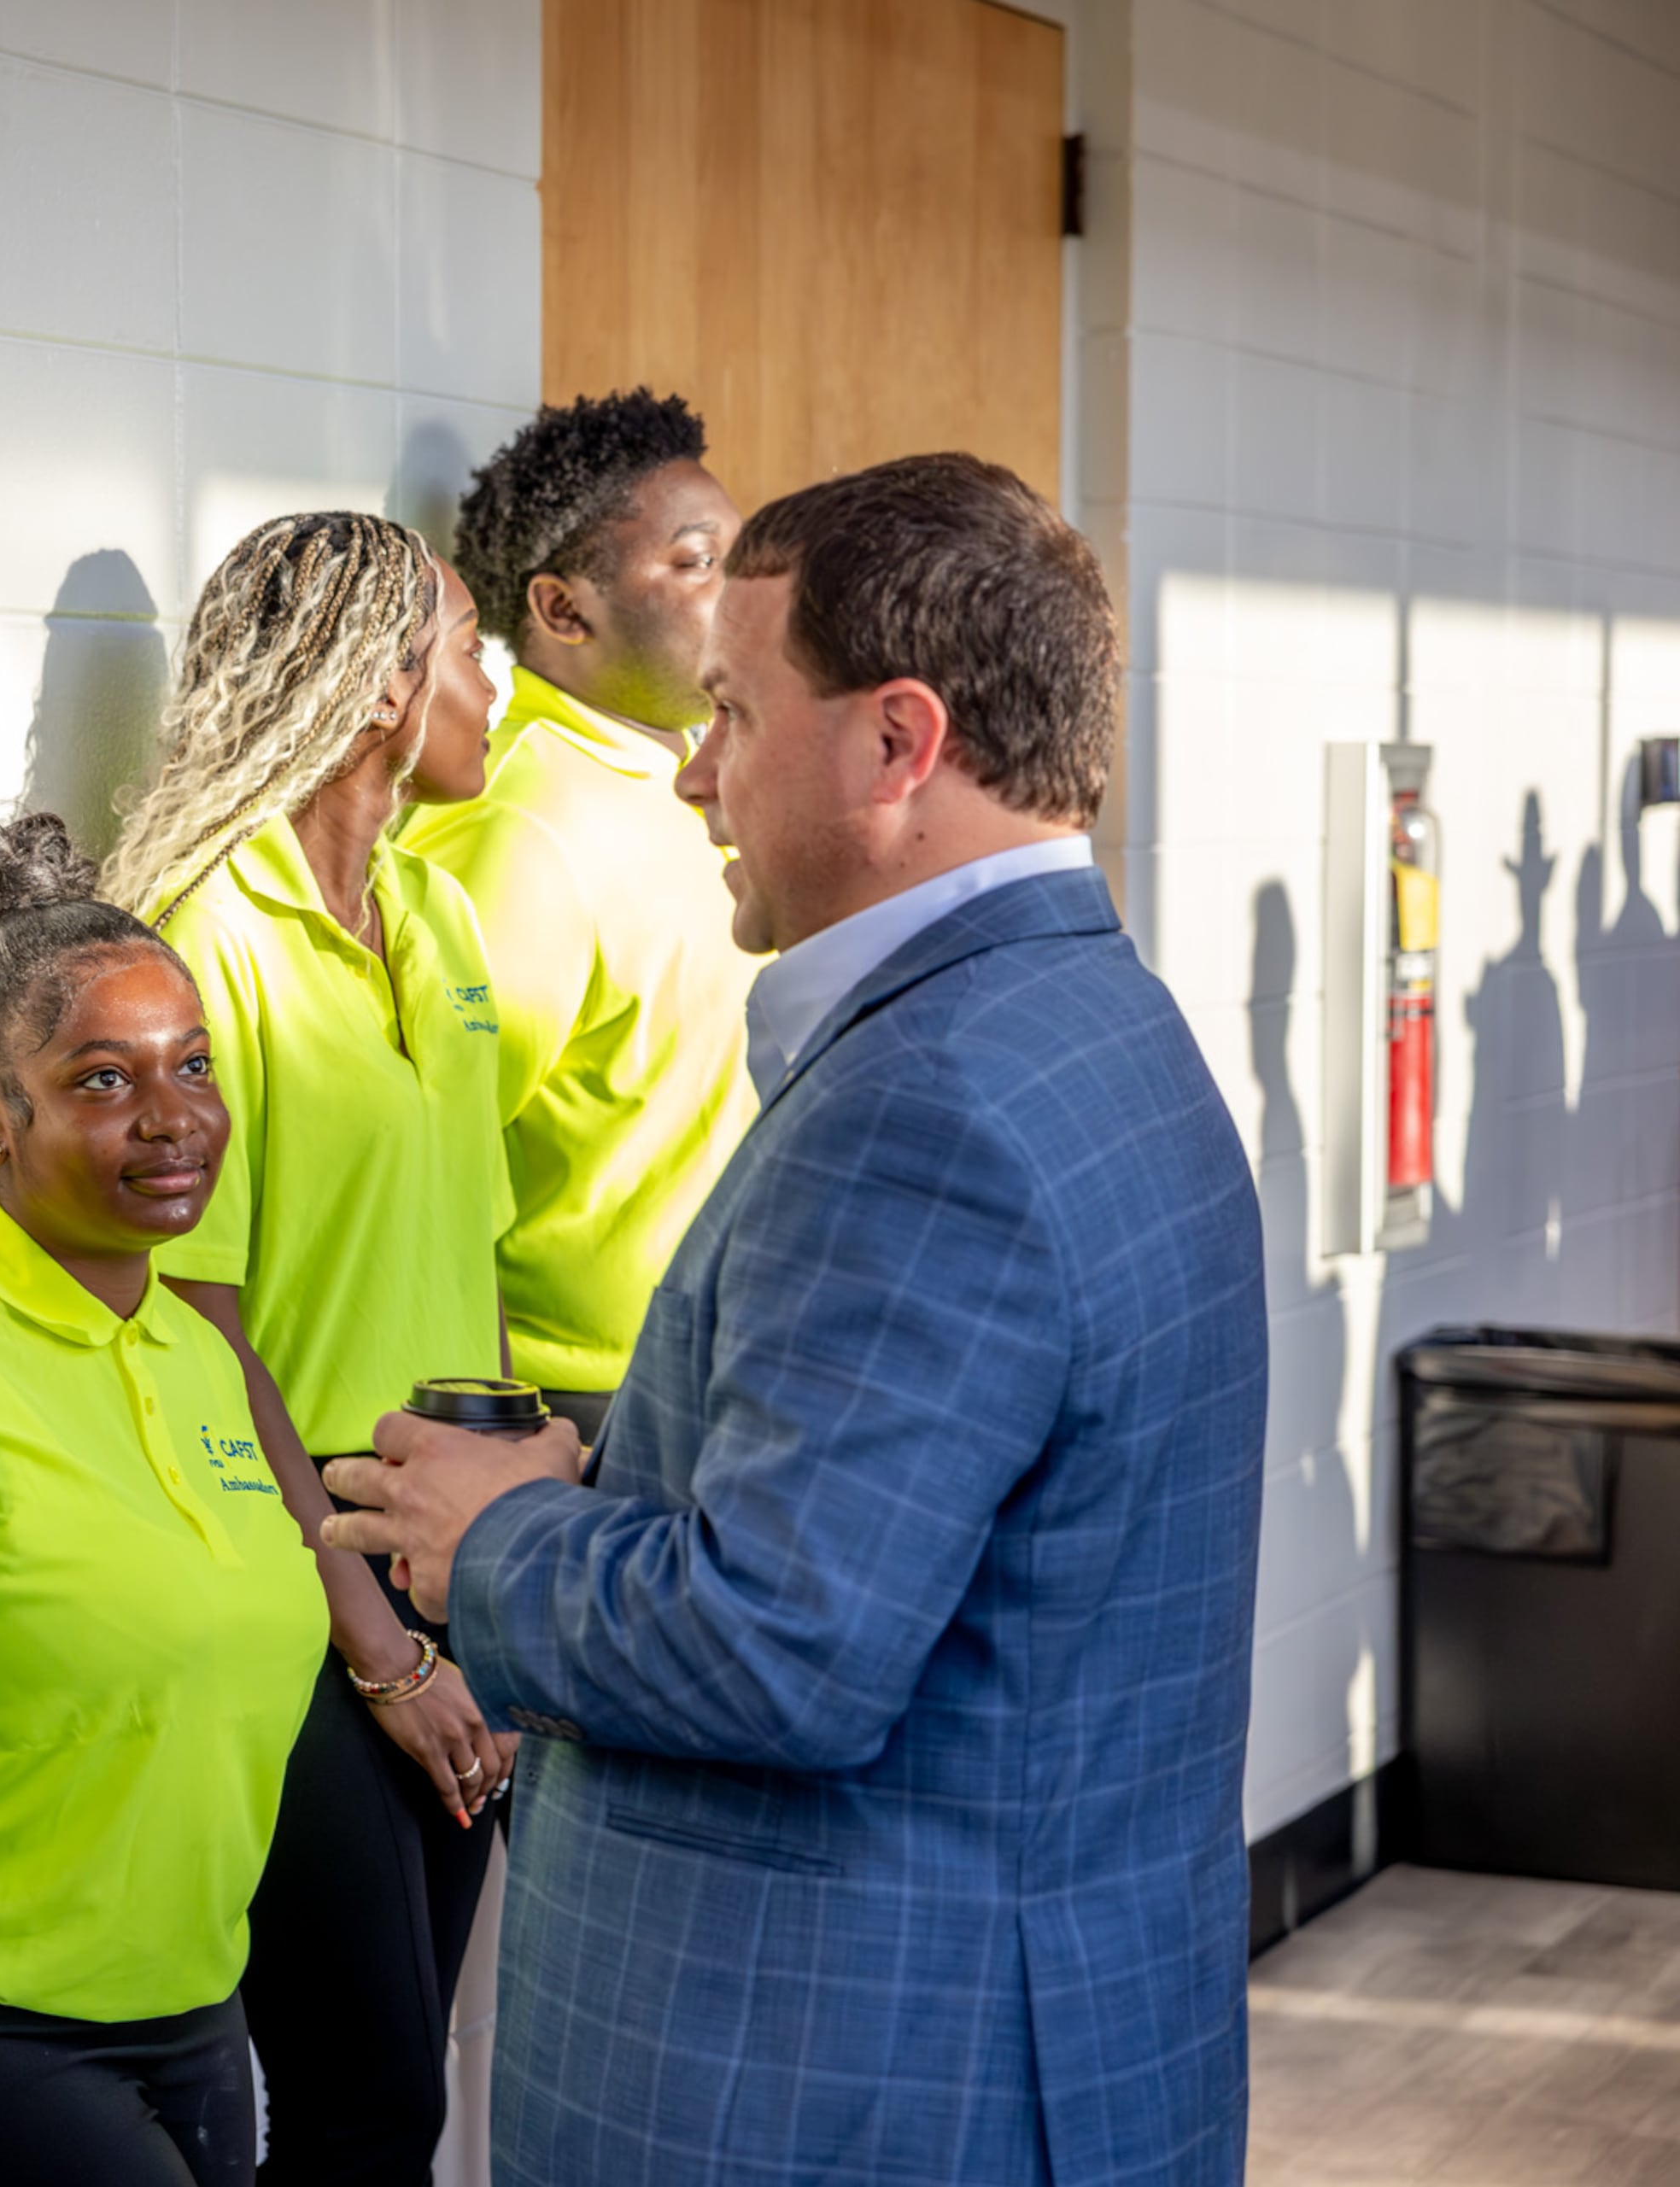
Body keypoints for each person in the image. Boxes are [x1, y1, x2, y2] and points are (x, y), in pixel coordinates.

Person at [327, 454, 1267, 2185]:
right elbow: (946, 1512)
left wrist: (502, 1534)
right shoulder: (1091, 1022)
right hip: (1034, 2034)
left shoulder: (936, 1102)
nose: (695, 774)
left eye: (735, 713)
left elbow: (783, 1643)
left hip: (848, 2080)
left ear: (898, 743)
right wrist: (614, 1462)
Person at [0, 814, 328, 2187]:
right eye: (105, 1080)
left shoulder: (197, 1351)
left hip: (195, 2000)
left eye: (193, 1066)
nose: (175, 1118)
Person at [102, 511, 512, 2184]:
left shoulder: (436, 915)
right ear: (379, 686)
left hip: (440, 1573)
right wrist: (380, 1648)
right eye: (472, 645)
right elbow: (200, 1319)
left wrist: (489, 1567)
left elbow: (468, 1266)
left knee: (405, 2082)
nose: (496, 685)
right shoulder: (204, 937)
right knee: (360, 2104)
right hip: (298, 1591)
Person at [399, 389, 757, 1439]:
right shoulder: (517, 830)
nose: (738, 596)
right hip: (583, 1418)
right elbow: (424, 1170)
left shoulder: (692, 783)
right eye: (697, 563)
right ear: (562, 611)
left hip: (717, 1378)